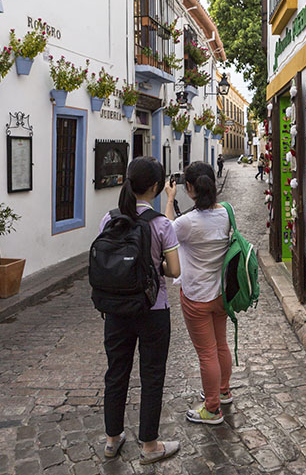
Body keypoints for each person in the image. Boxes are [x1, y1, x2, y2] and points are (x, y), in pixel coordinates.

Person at [98, 156, 182, 464]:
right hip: (153, 308)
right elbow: (173, 270)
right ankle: (149, 445)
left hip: (116, 309)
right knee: (152, 375)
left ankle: (111, 439)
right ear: (157, 187)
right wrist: (152, 264)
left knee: (116, 372)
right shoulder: (161, 225)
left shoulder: (108, 219)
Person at [164, 161, 233, 425]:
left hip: (196, 297)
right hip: (222, 294)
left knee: (207, 353)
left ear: (189, 188)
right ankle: (223, 391)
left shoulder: (187, 222)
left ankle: (212, 408)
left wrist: (170, 200)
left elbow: (165, 234)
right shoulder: (228, 211)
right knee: (221, 345)